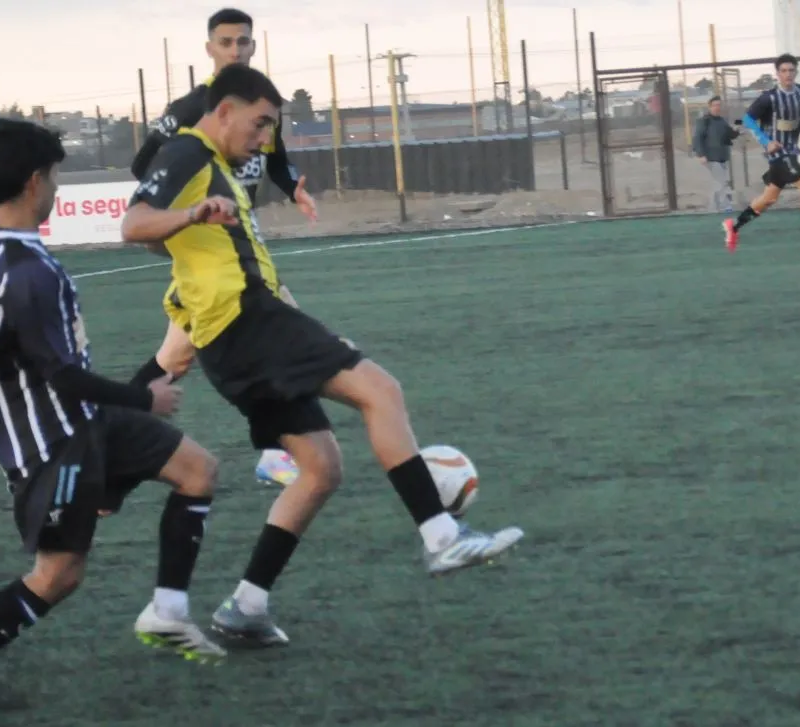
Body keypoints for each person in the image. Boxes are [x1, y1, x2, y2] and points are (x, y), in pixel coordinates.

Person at [122, 64, 524, 648]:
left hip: (236, 332)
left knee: (321, 469)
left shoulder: (216, 165)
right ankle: (441, 536)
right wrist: (191, 217)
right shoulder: (189, 151)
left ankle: (247, 606)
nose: (264, 138)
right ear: (225, 110)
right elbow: (133, 223)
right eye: (260, 123)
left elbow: (162, 237)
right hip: (245, 320)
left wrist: (189, 231)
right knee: (380, 391)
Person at [0, 118, 226, 725]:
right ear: (33, 182)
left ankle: (169, 611)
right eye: (53, 176)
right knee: (59, 574)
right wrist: (144, 398)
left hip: (84, 418)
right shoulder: (30, 272)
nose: (56, 188)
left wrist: (3, 360)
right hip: (52, 440)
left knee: (198, 470)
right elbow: (62, 378)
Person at [126, 7, 318, 492]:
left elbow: (278, 160)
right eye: (226, 42)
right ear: (209, 48)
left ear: (254, 45)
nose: (235, 50)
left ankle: (109, 449)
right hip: (207, 242)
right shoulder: (195, 108)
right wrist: (189, 204)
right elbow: (143, 163)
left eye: (243, 41)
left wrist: (294, 188)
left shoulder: (261, 103)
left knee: (174, 359)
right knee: (286, 329)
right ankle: (274, 452)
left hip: (233, 242)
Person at [723, 53, 800, 252]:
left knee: (769, 198)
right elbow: (748, 120)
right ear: (777, 74)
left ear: (796, 72)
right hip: (778, 153)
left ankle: (733, 227)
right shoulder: (769, 97)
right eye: (783, 71)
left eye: (791, 70)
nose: (788, 74)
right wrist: (766, 142)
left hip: (791, 151)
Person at [691, 96, 739, 213]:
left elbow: (730, 135)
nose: (717, 107)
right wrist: (701, 154)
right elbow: (698, 138)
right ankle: (725, 206)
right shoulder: (704, 121)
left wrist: (737, 129)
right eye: (715, 105)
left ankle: (713, 207)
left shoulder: (722, 121)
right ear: (710, 107)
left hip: (722, 156)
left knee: (718, 182)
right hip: (711, 157)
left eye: (719, 105)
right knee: (721, 181)